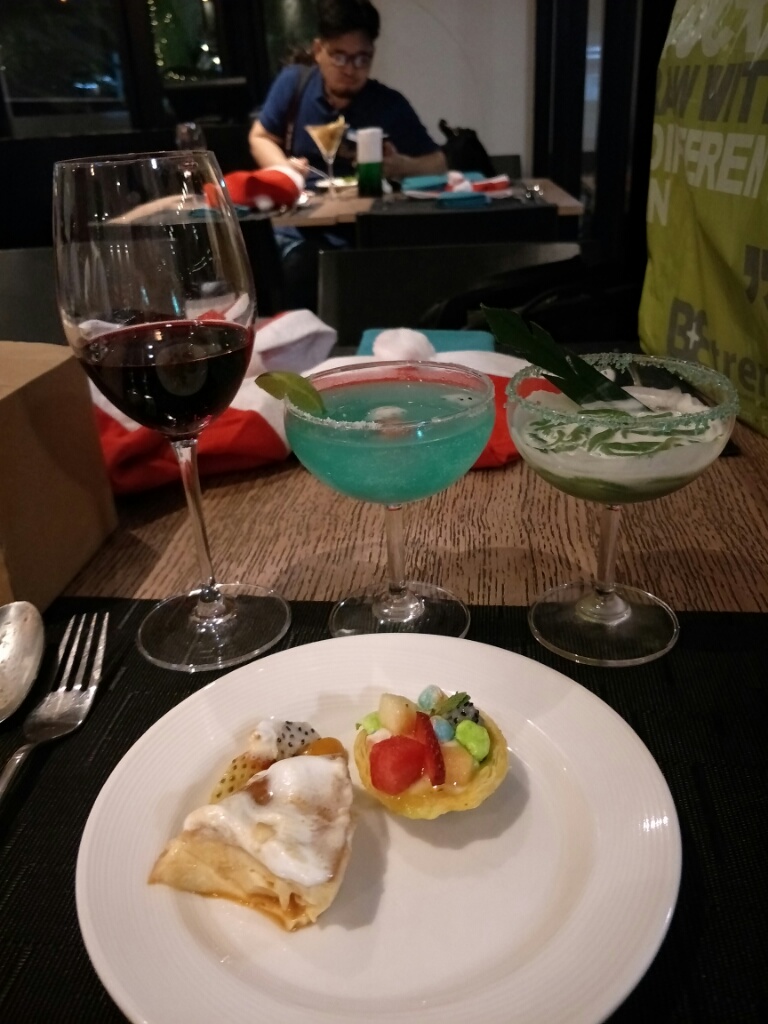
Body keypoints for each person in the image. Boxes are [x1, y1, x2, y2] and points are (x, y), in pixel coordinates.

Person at [248, 0, 446, 311]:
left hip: (364, 236)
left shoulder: (388, 105)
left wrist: (402, 165)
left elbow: (439, 163)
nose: (351, 69)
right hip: (297, 232)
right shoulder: (295, 84)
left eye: (361, 59)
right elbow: (260, 136)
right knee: (299, 269)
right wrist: (284, 169)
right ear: (318, 50)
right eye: (339, 56)